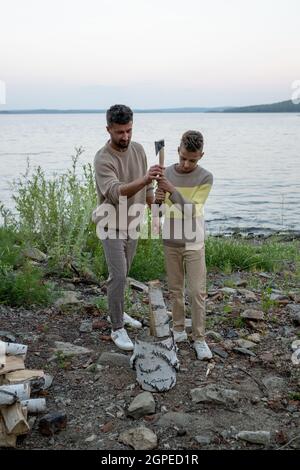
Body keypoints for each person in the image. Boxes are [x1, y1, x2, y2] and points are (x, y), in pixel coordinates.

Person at [93, 104, 163, 351]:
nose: (125, 136)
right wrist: (145, 178)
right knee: (118, 276)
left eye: (129, 130)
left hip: (133, 223)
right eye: (120, 132)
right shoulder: (103, 159)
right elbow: (114, 193)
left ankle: (120, 314)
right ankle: (117, 328)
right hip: (110, 225)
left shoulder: (139, 150)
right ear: (109, 129)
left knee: (124, 275)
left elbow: (147, 190)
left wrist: (155, 208)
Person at [155, 130, 213, 360]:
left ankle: (199, 338)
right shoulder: (165, 173)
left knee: (197, 291)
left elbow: (191, 210)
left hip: (194, 242)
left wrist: (171, 190)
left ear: (201, 155)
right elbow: (158, 211)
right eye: (183, 158)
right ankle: (178, 330)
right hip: (171, 240)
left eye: (193, 159)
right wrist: (157, 199)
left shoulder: (206, 177)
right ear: (178, 151)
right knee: (175, 290)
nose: (187, 164)